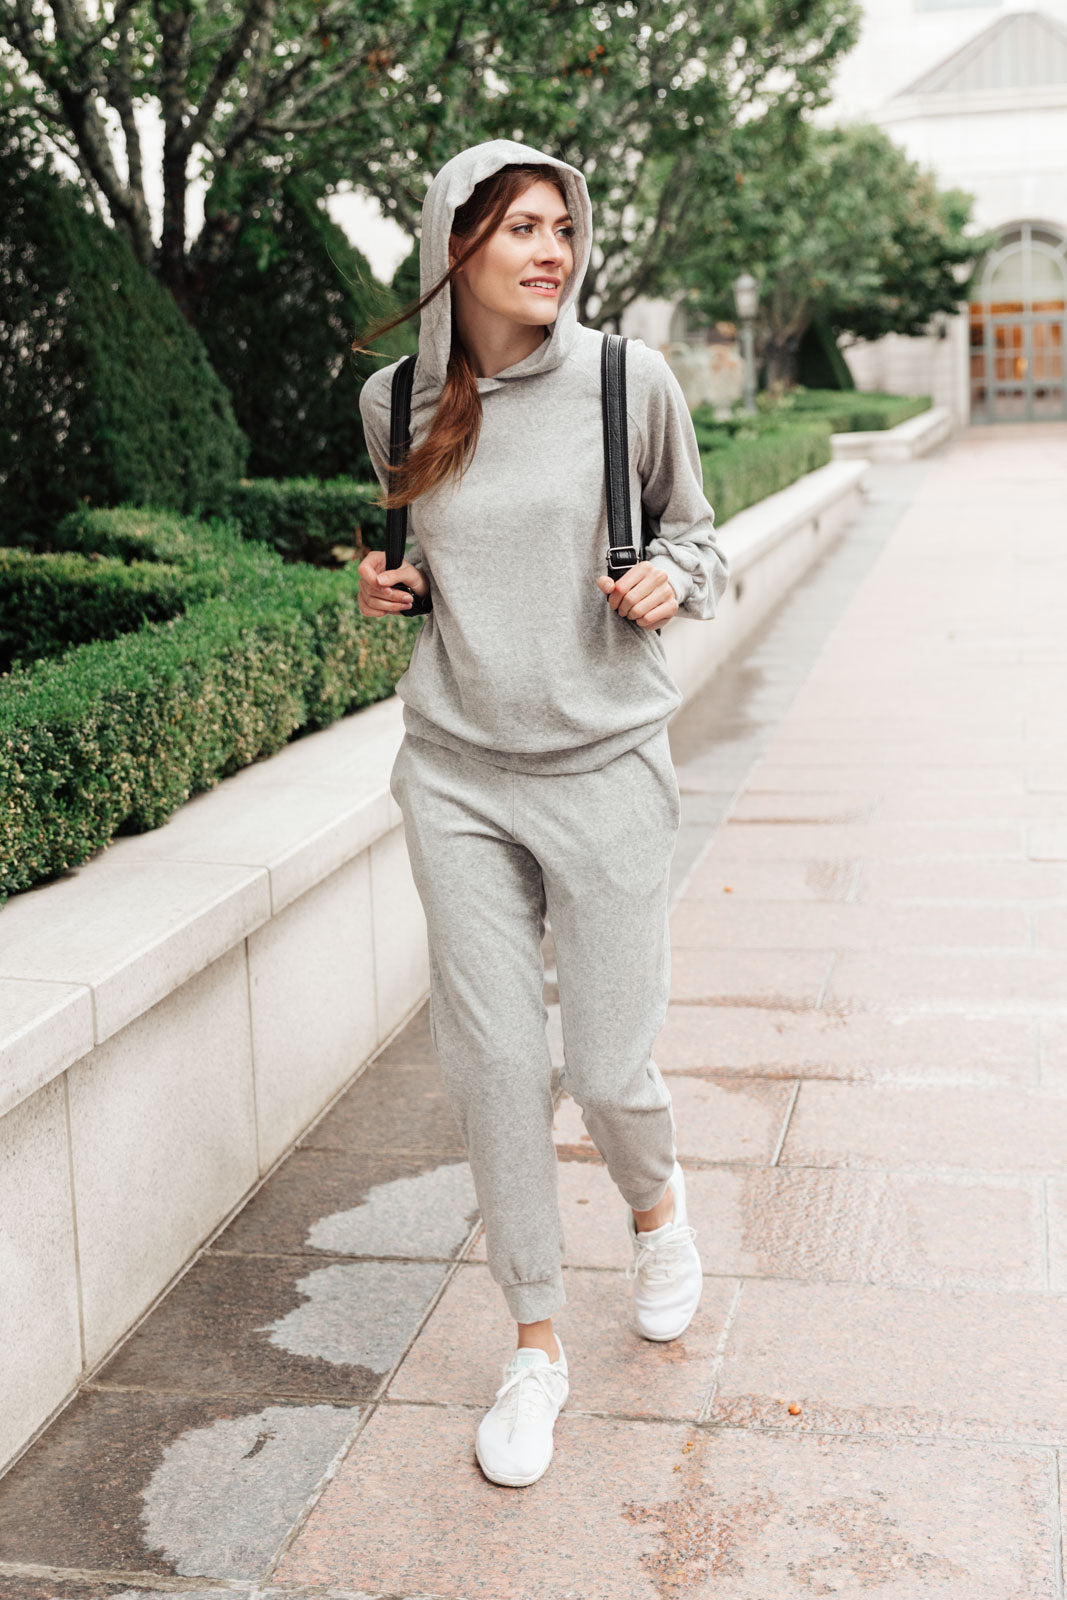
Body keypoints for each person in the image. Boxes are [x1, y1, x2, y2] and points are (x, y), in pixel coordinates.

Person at [354, 138, 729, 1489]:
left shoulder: (630, 381)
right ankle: (534, 1345)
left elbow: (701, 538)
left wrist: (674, 582)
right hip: (456, 773)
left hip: (606, 765)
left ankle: (657, 1208)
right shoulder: (395, 401)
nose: (551, 251)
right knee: (497, 1067)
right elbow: (415, 562)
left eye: (562, 227)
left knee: (612, 1068)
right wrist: (381, 587)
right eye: (520, 227)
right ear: (454, 243)